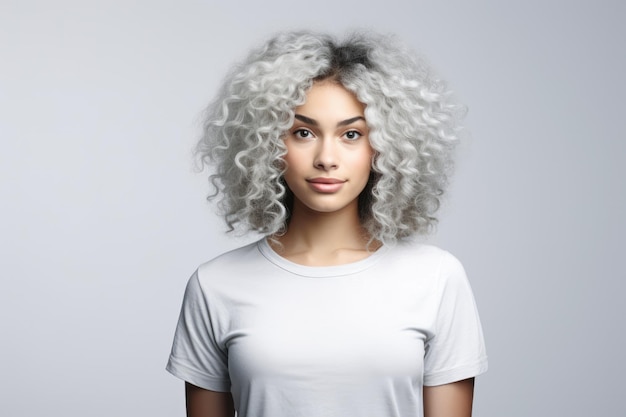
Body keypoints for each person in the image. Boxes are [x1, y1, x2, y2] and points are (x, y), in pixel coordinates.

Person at [166, 30, 487, 417]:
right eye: (303, 133)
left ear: (383, 148)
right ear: (268, 144)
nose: (326, 158)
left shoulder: (436, 278)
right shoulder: (216, 285)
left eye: (351, 134)